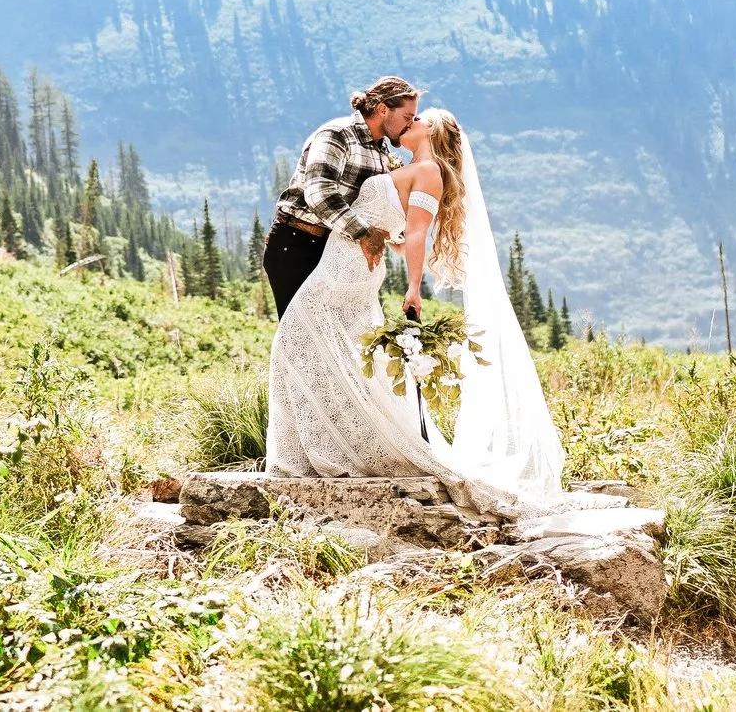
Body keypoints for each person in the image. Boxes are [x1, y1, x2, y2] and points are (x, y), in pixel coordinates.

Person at [264, 105, 658, 534]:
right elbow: (398, 232)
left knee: (297, 340)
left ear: (432, 133)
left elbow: (416, 233)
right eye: (409, 117)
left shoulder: (429, 171)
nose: (409, 123)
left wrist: (413, 288)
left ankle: (334, 445)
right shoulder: (407, 165)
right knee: (320, 348)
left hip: (349, 268)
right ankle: (330, 442)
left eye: (418, 120)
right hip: (347, 261)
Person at [262, 76, 417, 319]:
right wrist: (365, 233)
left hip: (334, 251)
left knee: (335, 344)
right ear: (383, 109)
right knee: (303, 337)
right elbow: (319, 193)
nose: (410, 124)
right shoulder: (337, 134)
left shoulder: (382, 151)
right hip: (297, 244)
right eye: (408, 117)